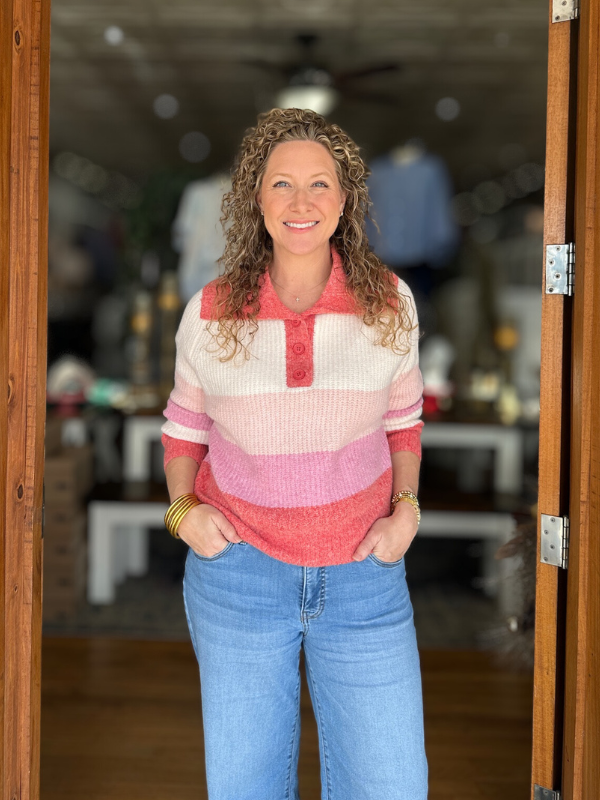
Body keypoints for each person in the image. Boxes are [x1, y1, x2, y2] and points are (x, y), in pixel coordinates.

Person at [161, 107, 428, 800]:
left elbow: (404, 422)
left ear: (344, 201)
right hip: (239, 577)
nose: (301, 202)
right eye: (282, 184)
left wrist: (405, 511)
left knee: (392, 786)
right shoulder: (210, 311)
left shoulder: (391, 304)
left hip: (364, 576)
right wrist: (183, 513)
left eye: (319, 184)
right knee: (245, 788)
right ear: (257, 199)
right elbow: (184, 430)